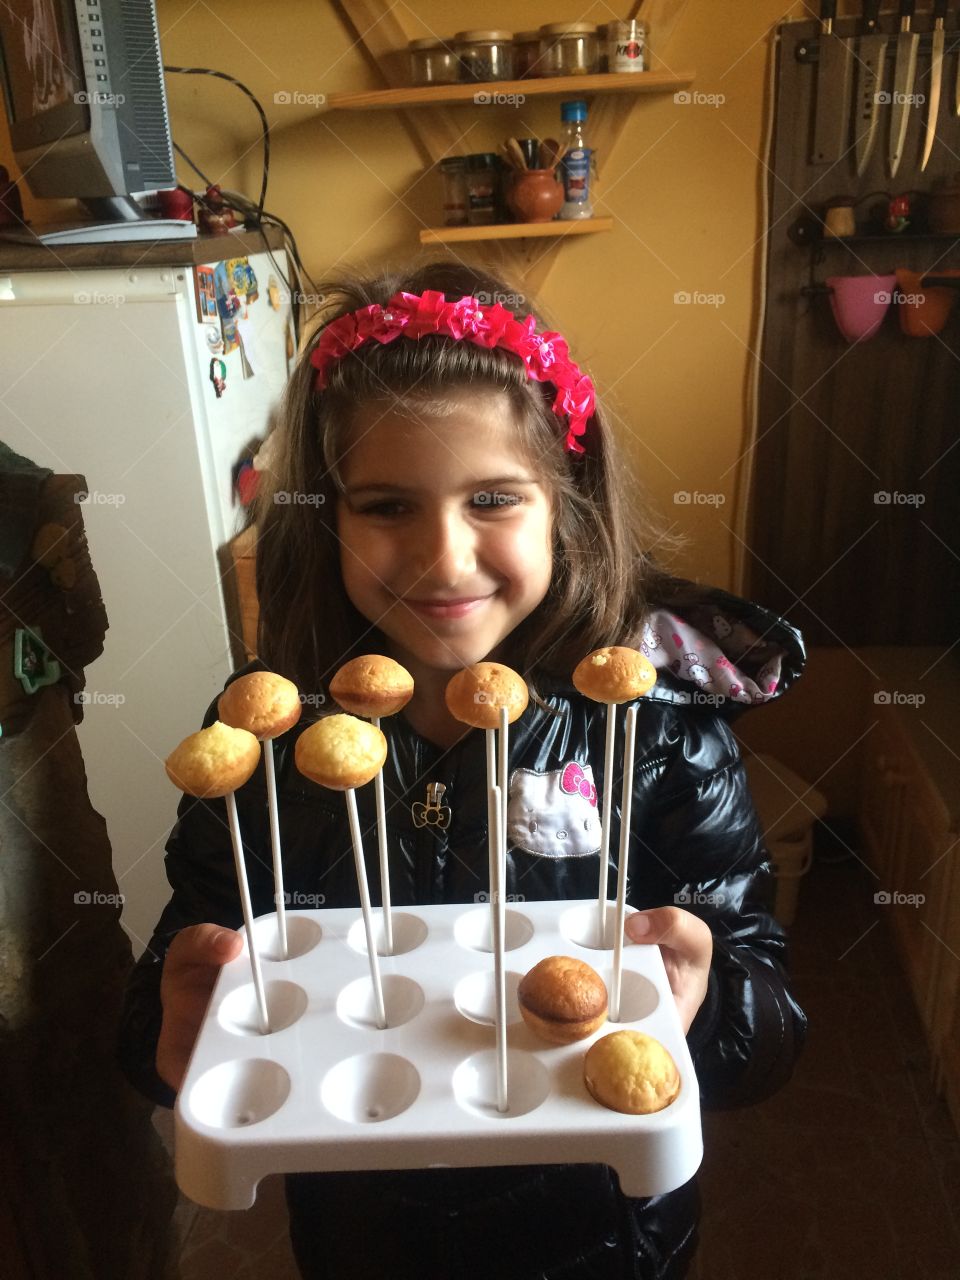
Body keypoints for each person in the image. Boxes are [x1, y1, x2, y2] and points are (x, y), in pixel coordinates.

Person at [118, 258, 807, 1280]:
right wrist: (165, 1029)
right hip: (362, 1230)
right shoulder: (264, 744)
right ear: (330, 515)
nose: (444, 559)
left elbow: (770, 1028)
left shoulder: (656, 735)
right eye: (388, 505)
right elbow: (187, 966)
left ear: (562, 503)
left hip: (606, 1233)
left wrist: (713, 995)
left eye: (493, 498)